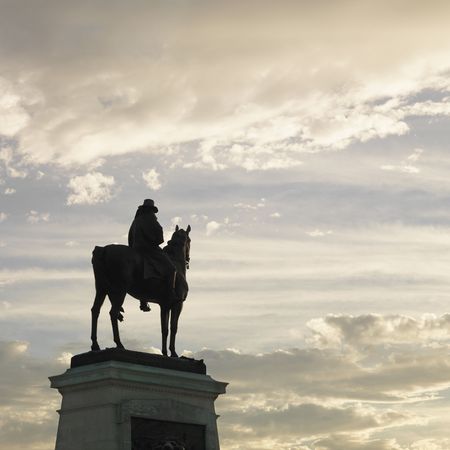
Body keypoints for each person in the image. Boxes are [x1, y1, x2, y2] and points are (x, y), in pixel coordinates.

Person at [128, 199, 177, 311]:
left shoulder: (135, 221)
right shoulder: (151, 219)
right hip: (150, 249)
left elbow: (130, 238)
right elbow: (159, 238)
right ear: (151, 210)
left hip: (135, 250)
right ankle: (171, 293)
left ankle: (143, 302)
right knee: (172, 268)